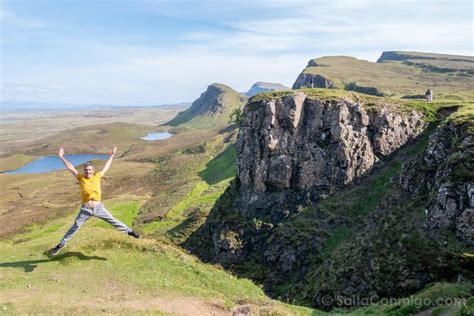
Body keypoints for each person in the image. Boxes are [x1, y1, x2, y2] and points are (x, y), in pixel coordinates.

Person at [48, 147, 140, 256]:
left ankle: (129, 231)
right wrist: (61, 157)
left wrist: (112, 155)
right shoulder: (81, 177)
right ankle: (61, 244)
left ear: (93, 170)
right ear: (84, 171)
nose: (88, 171)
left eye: (90, 169)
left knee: (112, 220)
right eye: (86, 170)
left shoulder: (97, 176)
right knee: (75, 226)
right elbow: (71, 167)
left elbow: (106, 166)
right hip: (85, 209)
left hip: (98, 207)